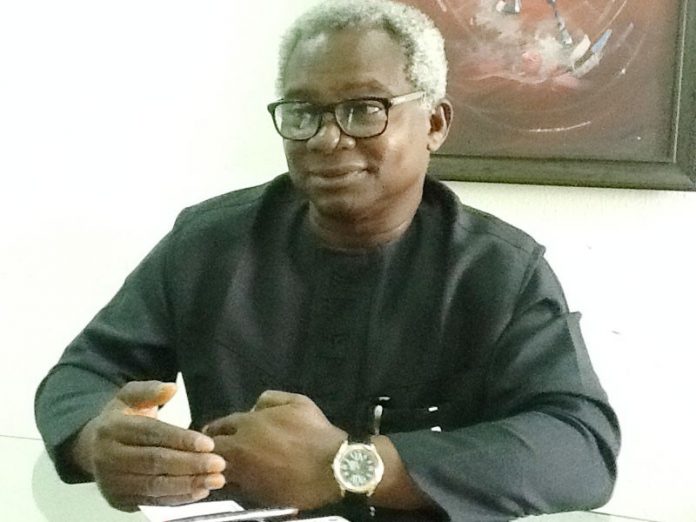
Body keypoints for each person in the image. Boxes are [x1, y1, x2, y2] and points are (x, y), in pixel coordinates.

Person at [34, 1, 620, 521]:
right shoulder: (208, 243)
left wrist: (352, 465)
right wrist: (97, 439)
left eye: (364, 109)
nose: (325, 138)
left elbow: (580, 446)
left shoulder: (499, 271)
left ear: (435, 124)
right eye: (302, 112)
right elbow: (82, 374)